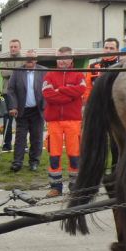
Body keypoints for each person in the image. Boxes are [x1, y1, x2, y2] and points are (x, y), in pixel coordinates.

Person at [42, 47, 86, 197]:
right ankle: (56, 187)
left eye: (65, 58)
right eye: (59, 58)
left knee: (75, 155)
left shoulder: (79, 74)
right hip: (54, 121)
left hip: (73, 121)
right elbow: (47, 95)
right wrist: (68, 92)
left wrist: (59, 89)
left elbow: (80, 90)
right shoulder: (49, 75)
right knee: (54, 155)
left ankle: (75, 187)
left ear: (71, 60)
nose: (62, 61)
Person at [7, 50, 46, 172]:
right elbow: (11, 90)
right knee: (20, 138)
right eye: (28, 58)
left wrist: (47, 106)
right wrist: (13, 106)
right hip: (22, 110)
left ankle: (34, 162)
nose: (30, 60)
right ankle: (17, 162)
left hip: (38, 110)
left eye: (32, 58)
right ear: (24, 59)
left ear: (36, 59)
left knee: (37, 137)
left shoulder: (44, 70)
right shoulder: (17, 71)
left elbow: (48, 88)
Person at [0, 39, 23, 151]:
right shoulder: (5, 59)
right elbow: (3, 72)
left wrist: (11, 71)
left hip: (20, 94)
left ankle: (22, 144)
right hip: (7, 93)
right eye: (11, 47)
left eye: (15, 47)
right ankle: (6, 145)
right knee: (7, 120)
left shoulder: (24, 60)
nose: (13, 49)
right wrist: (17, 72)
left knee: (21, 120)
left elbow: (23, 73)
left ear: (19, 48)